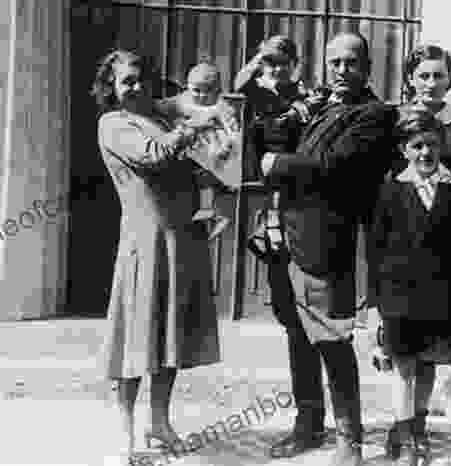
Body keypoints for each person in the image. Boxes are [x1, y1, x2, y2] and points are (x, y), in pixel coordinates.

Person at [261, 32, 398, 466]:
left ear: (366, 68)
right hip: (285, 240)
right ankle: (308, 425)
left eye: (351, 62)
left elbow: (335, 169)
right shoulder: (319, 106)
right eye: (334, 62)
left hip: (327, 242)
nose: (341, 71)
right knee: (297, 337)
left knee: (332, 342)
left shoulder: (374, 115)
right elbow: (266, 135)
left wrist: (276, 165)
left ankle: (350, 442)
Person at [92, 50, 221, 460]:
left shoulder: (163, 119)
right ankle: (124, 430)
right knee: (136, 339)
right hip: (145, 241)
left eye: (142, 79)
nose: (136, 87)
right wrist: (190, 129)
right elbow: (153, 157)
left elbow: (194, 163)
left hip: (181, 238)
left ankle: (160, 423)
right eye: (126, 80)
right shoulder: (113, 123)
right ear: (110, 87)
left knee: (170, 339)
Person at [370, 107, 451, 466]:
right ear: (405, 149)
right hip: (400, 301)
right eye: (417, 145)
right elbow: (375, 252)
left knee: (450, 376)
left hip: (448, 301)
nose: (425, 153)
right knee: (405, 373)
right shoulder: (389, 191)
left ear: (442, 146)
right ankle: (410, 445)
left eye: (431, 145)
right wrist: (375, 306)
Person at [234, 35, 331, 460]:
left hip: (306, 217)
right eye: (268, 62)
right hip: (273, 220)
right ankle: (309, 419)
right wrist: (256, 65)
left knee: (313, 323)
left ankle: (314, 422)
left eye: (281, 62)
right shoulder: (251, 97)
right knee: (292, 322)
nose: (274, 69)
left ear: (295, 63)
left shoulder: (307, 99)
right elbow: (236, 101)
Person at [156, 59, 241, 240]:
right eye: (196, 90)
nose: (202, 96)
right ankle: (204, 211)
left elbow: (233, 131)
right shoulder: (180, 102)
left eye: (208, 91)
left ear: (218, 91)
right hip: (190, 146)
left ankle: (222, 213)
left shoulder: (222, 107)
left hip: (214, 148)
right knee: (194, 178)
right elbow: (159, 108)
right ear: (188, 88)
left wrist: (228, 145)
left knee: (220, 180)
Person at [399, 44, 451, 177]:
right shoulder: (396, 118)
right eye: (424, 76)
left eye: (438, 76)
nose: (432, 84)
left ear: (449, 79)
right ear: (410, 79)